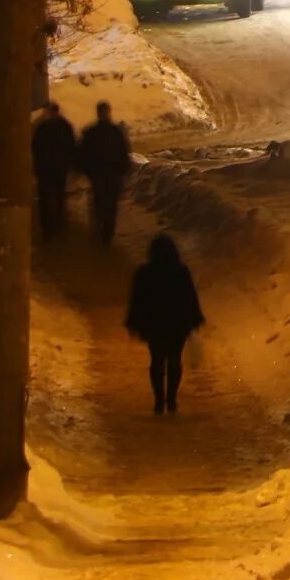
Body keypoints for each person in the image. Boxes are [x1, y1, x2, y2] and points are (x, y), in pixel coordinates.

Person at [125, 234, 204, 415]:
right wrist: (194, 319)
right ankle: (171, 399)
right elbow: (190, 298)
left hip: (155, 324)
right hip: (177, 324)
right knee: (175, 360)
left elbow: (136, 300)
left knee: (157, 360)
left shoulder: (144, 273)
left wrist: (134, 321)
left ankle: (159, 399)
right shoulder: (181, 272)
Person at [79, 101, 132, 244]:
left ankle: (101, 228)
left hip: (99, 175)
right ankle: (107, 232)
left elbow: (83, 154)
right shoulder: (116, 132)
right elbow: (124, 152)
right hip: (111, 175)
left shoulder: (91, 132)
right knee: (110, 204)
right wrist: (124, 171)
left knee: (100, 202)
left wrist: (88, 171)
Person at [31, 102, 78, 238]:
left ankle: (47, 227)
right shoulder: (65, 126)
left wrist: (37, 165)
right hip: (59, 168)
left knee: (45, 197)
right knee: (59, 195)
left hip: (45, 169)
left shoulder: (42, 127)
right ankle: (59, 223)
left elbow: (35, 148)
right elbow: (71, 146)